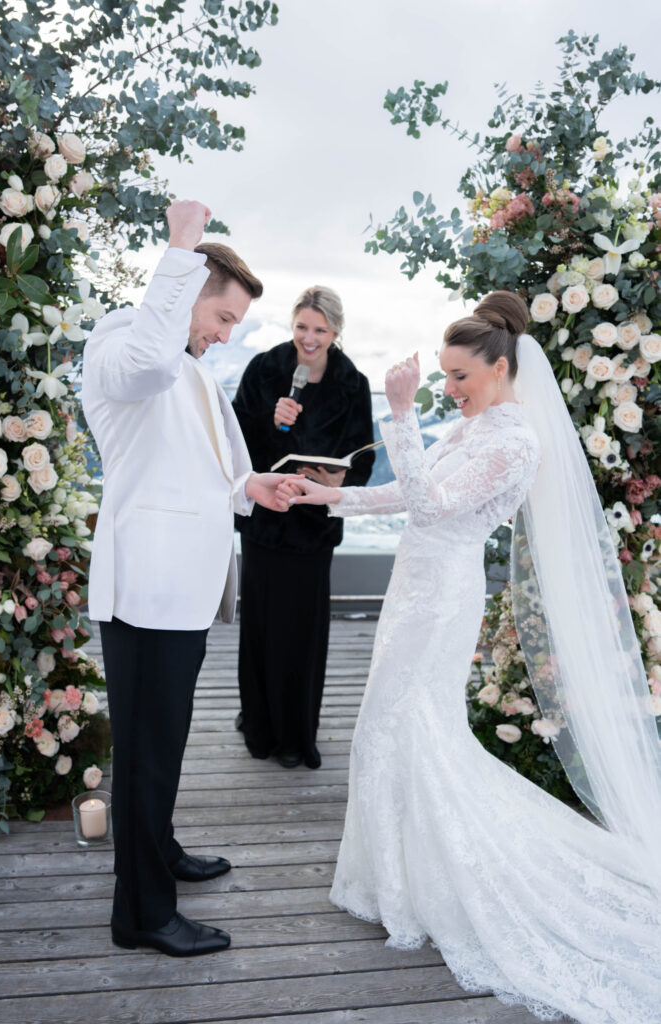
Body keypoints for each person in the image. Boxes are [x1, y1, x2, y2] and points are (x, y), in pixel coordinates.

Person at [278, 291, 661, 1024]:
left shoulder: (514, 444)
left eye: (458, 377)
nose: (447, 390)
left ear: (498, 366)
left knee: (397, 730)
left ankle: (408, 883)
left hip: (440, 599)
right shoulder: (474, 428)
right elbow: (403, 493)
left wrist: (395, 413)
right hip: (412, 588)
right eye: (443, 378)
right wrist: (315, 499)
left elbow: (433, 509)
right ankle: (395, 878)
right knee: (391, 730)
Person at [81, 200, 296, 958]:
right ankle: (141, 914)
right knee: (144, 749)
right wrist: (178, 249)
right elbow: (144, 364)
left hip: (186, 590)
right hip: (144, 589)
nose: (226, 333)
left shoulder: (197, 375)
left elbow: (208, 469)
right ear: (187, 289)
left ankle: (158, 851)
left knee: (162, 744)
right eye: (224, 315)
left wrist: (251, 489)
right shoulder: (123, 343)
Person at [232, 286, 374, 769]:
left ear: (336, 332)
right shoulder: (264, 370)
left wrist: (339, 477)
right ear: (292, 325)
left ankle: (296, 736)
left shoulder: (353, 382)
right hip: (265, 525)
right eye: (302, 327)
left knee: (302, 636)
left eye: (320, 330)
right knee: (261, 627)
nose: (309, 339)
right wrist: (268, 419)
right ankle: (259, 727)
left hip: (313, 529)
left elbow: (363, 462)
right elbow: (234, 445)